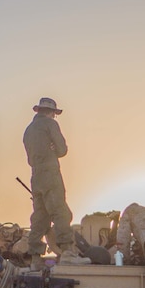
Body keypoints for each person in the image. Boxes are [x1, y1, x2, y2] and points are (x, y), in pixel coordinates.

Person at [23, 97, 89, 267]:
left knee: (40, 216)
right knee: (60, 211)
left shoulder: (28, 130)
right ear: (51, 112)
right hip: (50, 173)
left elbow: (29, 157)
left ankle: (35, 258)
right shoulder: (50, 124)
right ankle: (67, 251)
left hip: (35, 176)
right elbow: (62, 149)